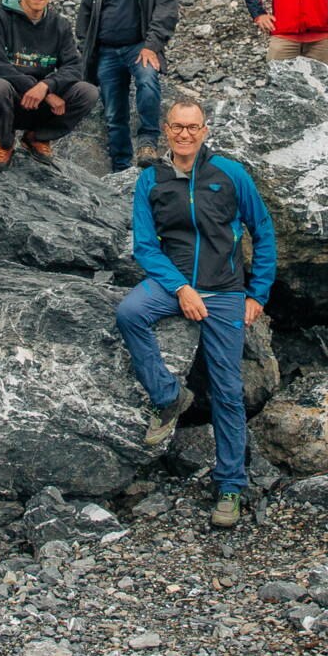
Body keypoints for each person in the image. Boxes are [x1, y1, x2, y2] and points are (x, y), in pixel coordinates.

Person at [117, 99, 276, 532]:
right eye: (177, 127)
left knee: (227, 388)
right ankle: (168, 396)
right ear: (165, 130)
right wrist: (181, 288)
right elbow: (146, 246)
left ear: (205, 130)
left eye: (193, 127)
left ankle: (229, 485)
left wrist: (256, 294)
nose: (184, 134)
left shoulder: (230, 174)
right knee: (130, 311)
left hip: (225, 290)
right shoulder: (151, 180)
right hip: (174, 283)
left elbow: (262, 231)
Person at [76, 0, 181, 171]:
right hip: (106, 50)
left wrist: (152, 46)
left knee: (147, 80)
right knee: (113, 112)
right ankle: (121, 167)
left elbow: (166, 9)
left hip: (139, 46)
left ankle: (147, 142)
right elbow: (86, 9)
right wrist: (84, 46)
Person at [0, 0, 99, 166]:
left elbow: (74, 67)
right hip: (7, 102)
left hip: (40, 104)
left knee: (88, 92)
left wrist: (46, 87)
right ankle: (4, 141)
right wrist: (39, 90)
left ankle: (37, 137)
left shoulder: (59, 25)